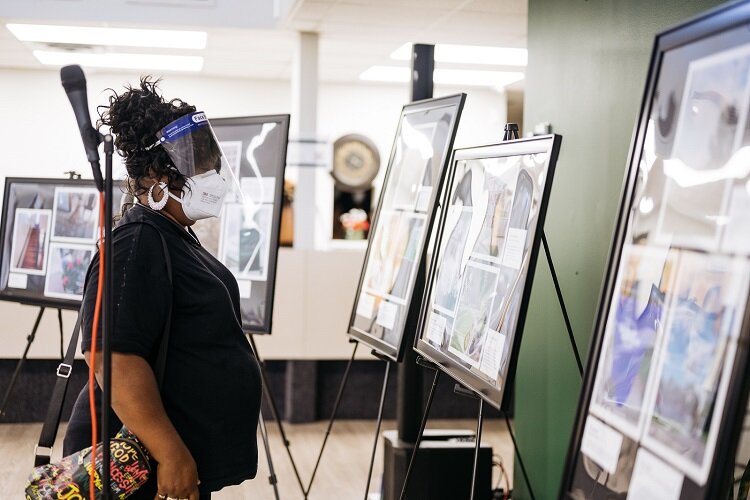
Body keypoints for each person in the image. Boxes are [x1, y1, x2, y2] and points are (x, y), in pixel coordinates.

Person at [63, 76, 263, 500]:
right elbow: (109, 355)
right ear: (157, 176)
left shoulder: (171, 233)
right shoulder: (137, 242)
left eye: (210, 158)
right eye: (197, 162)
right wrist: (171, 453)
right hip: (139, 467)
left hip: (169, 461)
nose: (210, 172)